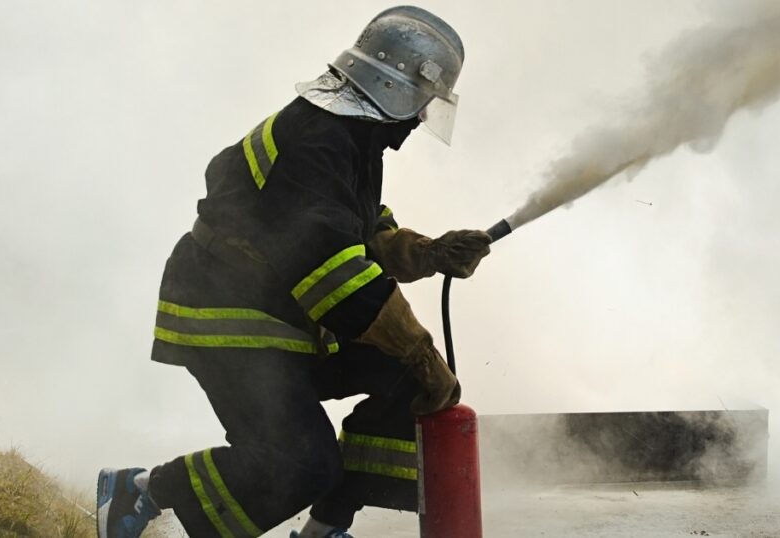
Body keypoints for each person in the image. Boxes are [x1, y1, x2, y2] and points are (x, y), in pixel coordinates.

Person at [96, 6, 490, 538]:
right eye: (421, 106)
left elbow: (359, 231)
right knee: (302, 462)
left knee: (403, 381)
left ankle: (324, 531)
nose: (421, 121)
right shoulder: (317, 139)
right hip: (229, 313)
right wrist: (421, 351)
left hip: (287, 310)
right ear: (398, 89)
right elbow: (335, 274)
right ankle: (140, 491)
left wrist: (431, 252)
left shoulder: (353, 133)